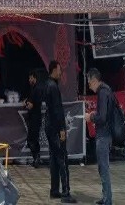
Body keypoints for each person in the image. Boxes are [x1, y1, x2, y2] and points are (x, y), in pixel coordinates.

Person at [45, 61, 77, 203]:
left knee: (54, 159)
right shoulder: (53, 87)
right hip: (55, 127)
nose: (60, 72)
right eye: (59, 69)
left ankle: (54, 190)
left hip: (49, 126)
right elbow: (57, 110)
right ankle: (65, 192)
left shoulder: (48, 85)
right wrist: (62, 129)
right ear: (53, 70)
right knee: (62, 158)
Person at [85, 68, 114, 205]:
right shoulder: (107, 90)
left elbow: (102, 118)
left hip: (103, 135)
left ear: (94, 80)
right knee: (103, 167)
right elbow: (105, 114)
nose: (89, 86)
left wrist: (90, 117)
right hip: (106, 134)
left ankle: (107, 200)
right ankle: (106, 197)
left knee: (103, 168)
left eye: (89, 83)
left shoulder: (102, 92)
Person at [25, 68, 45, 168]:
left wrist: (27, 103)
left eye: (31, 78)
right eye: (29, 78)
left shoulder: (37, 89)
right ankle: (36, 158)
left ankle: (36, 158)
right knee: (33, 139)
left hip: (35, 118)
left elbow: (31, 105)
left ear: (34, 78)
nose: (29, 80)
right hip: (34, 118)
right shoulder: (33, 88)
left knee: (31, 140)